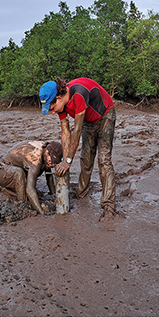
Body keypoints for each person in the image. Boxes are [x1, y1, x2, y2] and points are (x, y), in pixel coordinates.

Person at [39, 77, 117, 218]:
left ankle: (109, 206)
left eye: (52, 108)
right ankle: (81, 193)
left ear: (58, 98)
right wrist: (64, 160)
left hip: (105, 115)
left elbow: (77, 130)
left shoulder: (78, 94)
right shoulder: (61, 105)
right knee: (86, 159)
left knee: (103, 160)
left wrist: (68, 161)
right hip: (89, 120)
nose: (53, 112)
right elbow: (65, 132)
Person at [0, 140, 64, 214]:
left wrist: (53, 194)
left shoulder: (45, 149)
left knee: (43, 168)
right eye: (52, 161)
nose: (53, 165)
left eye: (55, 162)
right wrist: (41, 212)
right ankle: (23, 204)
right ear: (47, 153)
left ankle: (9, 191)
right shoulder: (35, 158)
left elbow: (48, 174)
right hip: (2, 171)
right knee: (19, 173)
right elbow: (30, 189)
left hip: (17, 170)